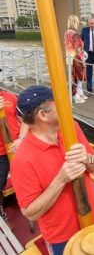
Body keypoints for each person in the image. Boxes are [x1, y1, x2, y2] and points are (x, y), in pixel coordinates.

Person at [11, 85, 94, 255]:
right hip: (62, 238)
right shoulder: (23, 160)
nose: (67, 107)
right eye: (58, 104)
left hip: (92, 218)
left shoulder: (72, 127)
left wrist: (87, 159)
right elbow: (30, 212)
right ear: (43, 115)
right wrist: (60, 179)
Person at [0, 90, 28, 223]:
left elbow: (25, 120)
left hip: (17, 148)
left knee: (29, 177)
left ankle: (34, 203)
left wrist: (21, 139)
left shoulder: (11, 97)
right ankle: (1, 211)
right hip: (0, 154)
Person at [64, 14, 87, 104]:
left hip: (69, 57)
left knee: (73, 77)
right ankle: (77, 96)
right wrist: (83, 59)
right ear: (75, 22)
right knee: (79, 77)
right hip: (76, 58)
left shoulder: (66, 33)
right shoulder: (76, 35)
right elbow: (78, 49)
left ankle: (79, 94)